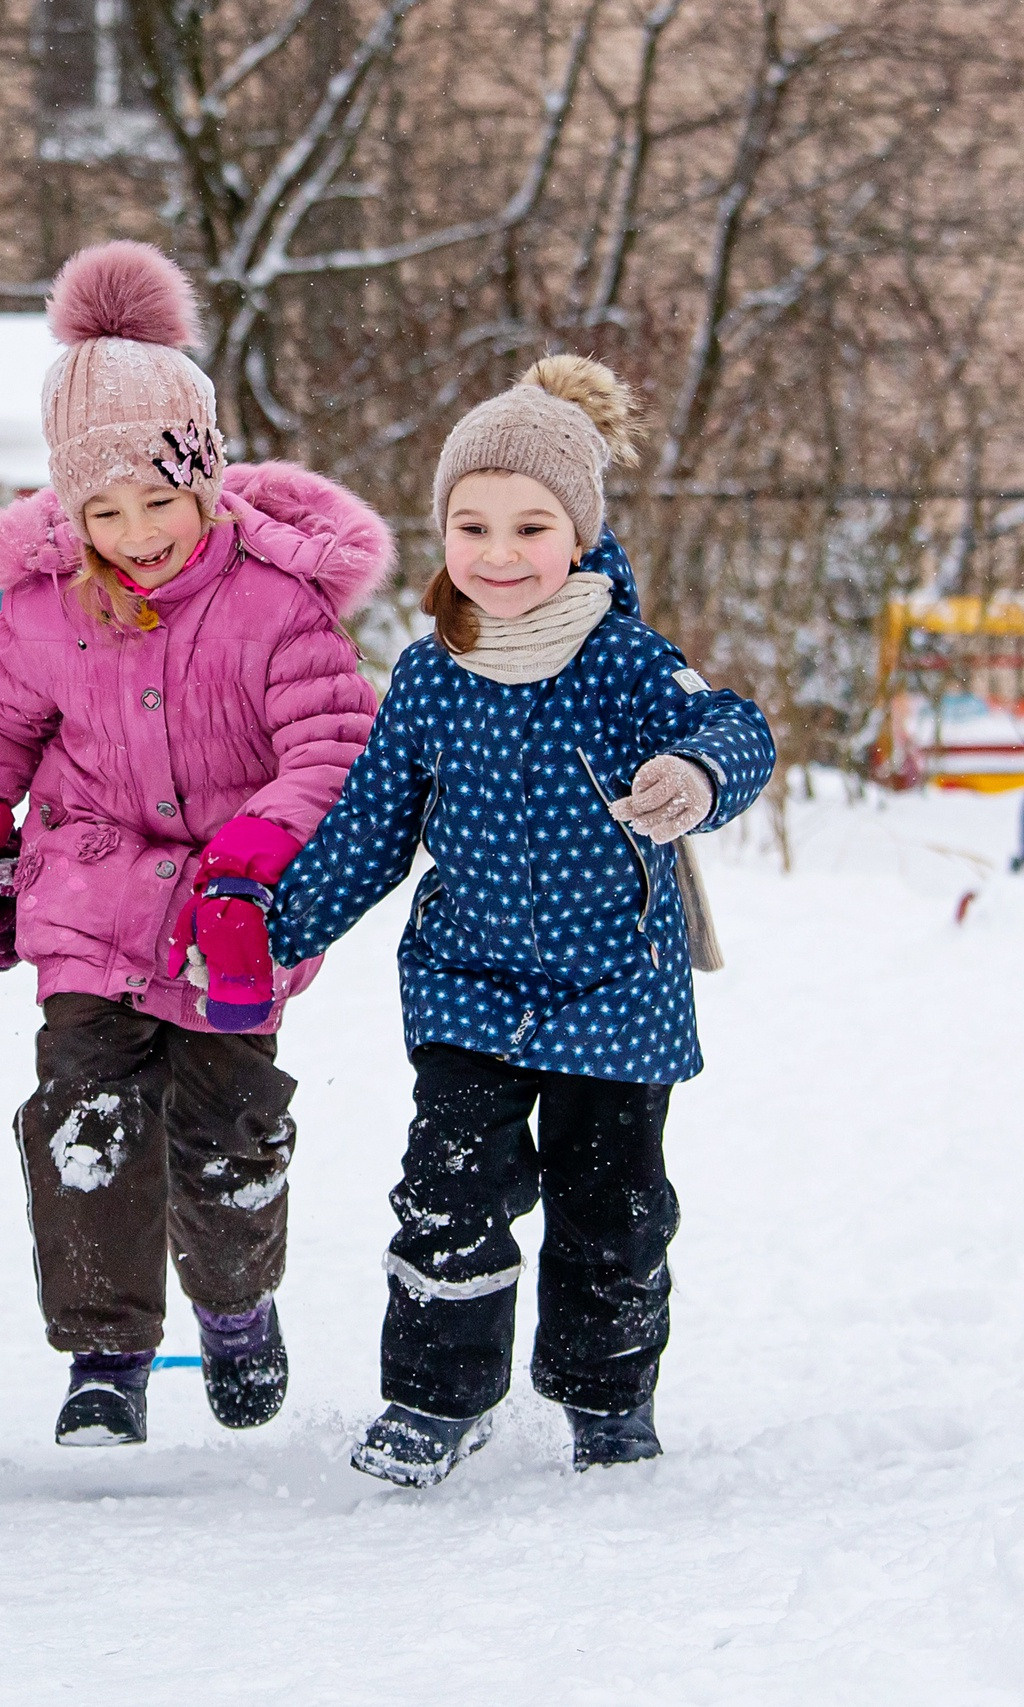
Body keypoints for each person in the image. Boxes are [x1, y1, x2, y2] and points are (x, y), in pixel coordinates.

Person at [0, 240, 393, 1449]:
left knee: (225, 1134)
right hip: (86, 897)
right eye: (102, 510)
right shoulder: (45, 608)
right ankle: (105, 1358)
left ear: (208, 481)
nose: (134, 534)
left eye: (157, 502)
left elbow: (332, 751)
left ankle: (236, 1309)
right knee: (83, 1122)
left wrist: (252, 864)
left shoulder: (277, 602)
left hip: (234, 919)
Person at [268, 356, 775, 1486]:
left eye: (530, 526)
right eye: (472, 525)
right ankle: (433, 1400)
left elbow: (736, 730)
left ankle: (605, 1399)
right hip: (468, 985)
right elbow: (369, 828)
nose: (498, 554)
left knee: (612, 1210)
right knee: (447, 1196)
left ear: (580, 534)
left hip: (613, 991)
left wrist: (693, 775)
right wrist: (275, 929)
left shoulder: (628, 664)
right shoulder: (430, 676)